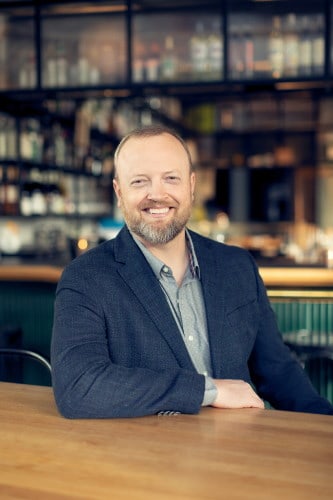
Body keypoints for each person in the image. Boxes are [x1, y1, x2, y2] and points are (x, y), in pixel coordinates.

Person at [51, 125, 333, 418]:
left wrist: (325, 425)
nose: (156, 194)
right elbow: (78, 386)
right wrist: (208, 390)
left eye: (171, 178)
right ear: (119, 192)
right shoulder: (86, 277)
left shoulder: (238, 266)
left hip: (239, 453)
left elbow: (279, 372)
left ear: (191, 185)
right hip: (146, 457)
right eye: (139, 181)